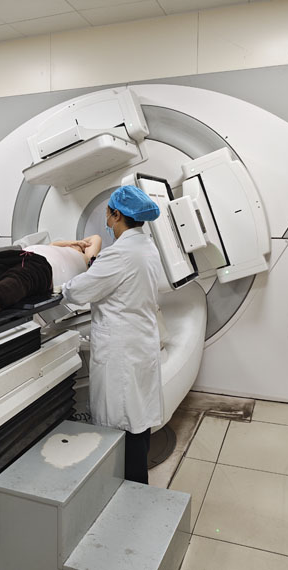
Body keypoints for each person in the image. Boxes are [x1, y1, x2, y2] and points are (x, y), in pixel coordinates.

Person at [61, 185, 164, 485]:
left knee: (122, 423)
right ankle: (137, 484)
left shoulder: (119, 254)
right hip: (141, 343)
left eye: (108, 213)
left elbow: (78, 292)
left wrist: (63, 287)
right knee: (138, 420)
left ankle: (128, 490)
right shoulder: (147, 246)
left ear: (117, 215)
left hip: (121, 350)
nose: (106, 219)